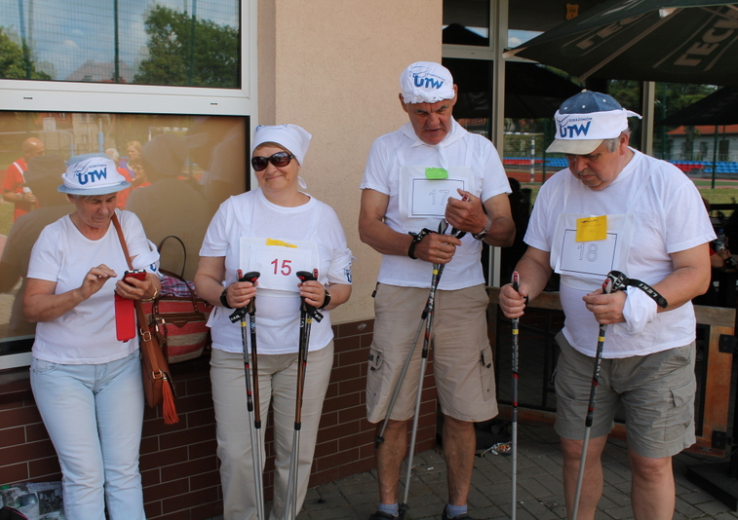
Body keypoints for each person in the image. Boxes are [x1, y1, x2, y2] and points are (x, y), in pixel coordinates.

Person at [499, 90, 714, 520]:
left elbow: (697, 273)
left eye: (590, 156)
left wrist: (637, 302)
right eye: (569, 156)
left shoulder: (666, 182)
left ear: (622, 138)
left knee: (650, 463)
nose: (579, 168)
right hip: (581, 348)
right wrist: (521, 287)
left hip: (658, 351)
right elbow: (537, 260)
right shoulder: (557, 188)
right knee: (576, 452)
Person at [359, 61, 515, 520]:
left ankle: (458, 508)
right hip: (401, 289)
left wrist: (482, 225)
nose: (432, 121)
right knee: (393, 407)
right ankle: (388, 508)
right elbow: (368, 226)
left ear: (455, 98)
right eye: (421, 112)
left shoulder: (480, 149)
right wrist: (415, 246)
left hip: (464, 292)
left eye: (442, 109)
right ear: (403, 104)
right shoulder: (386, 148)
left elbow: (505, 230)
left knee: (463, 411)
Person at [194, 124, 352, 520]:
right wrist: (225, 295)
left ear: (297, 162)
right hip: (239, 352)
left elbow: (342, 284)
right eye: (260, 161)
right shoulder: (234, 209)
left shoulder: (324, 216)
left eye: (280, 159)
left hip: (306, 353)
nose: (271, 169)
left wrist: (326, 297)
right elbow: (204, 278)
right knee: (238, 454)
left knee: (295, 451)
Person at [23, 153, 161, 520]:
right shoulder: (54, 236)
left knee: (124, 473)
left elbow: (154, 283)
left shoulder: (127, 222)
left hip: (122, 364)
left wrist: (143, 289)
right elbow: (32, 308)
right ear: (72, 198)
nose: (104, 210)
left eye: (110, 199)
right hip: (62, 370)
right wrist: (81, 293)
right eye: (93, 201)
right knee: (84, 477)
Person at [0, 154, 73, 338]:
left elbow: (5, 281)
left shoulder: (26, 224)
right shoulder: (86, 218)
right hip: (76, 317)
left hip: (31, 321)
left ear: (36, 188)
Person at [126, 133, 210, 281]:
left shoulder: (142, 196)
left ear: (153, 163)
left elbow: (126, 241)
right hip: (192, 279)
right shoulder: (197, 196)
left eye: (145, 161)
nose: (144, 166)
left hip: (152, 280)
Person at [2, 137, 45, 221]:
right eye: (39, 153)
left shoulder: (44, 166)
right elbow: (5, 195)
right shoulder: (15, 168)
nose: (43, 155)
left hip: (42, 216)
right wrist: (23, 198)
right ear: (26, 152)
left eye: (44, 152)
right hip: (23, 217)